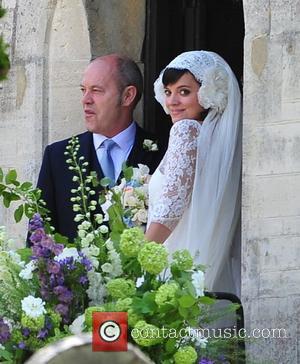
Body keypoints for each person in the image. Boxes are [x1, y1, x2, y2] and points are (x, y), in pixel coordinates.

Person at [37, 54, 165, 242]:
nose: (85, 100)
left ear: (128, 96)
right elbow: (39, 240)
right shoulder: (57, 156)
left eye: (96, 90)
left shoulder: (164, 154)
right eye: (83, 90)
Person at [145, 51, 242, 295]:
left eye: (184, 92)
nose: (172, 101)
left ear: (208, 93)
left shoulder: (186, 131)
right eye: (168, 92)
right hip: (208, 272)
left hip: (172, 264)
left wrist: (138, 258)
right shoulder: (215, 140)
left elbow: (171, 207)